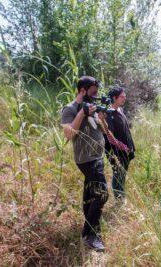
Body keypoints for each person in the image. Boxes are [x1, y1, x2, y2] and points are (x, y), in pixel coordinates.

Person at [60, 76, 109, 251]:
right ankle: (91, 236)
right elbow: (68, 134)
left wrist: (101, 117)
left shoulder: (92, 106)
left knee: (90, 196)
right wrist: (82, 113)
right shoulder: (71, 108)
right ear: (82, 90)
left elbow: (102, 130)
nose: (95, 96)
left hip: (97, 157)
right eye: (93, 93)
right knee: (102, 194)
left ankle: (88, 231)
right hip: (86, 159)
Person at [104, 87, 135, 204]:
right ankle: (119, 200)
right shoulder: (108, 114)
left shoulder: (120, 110)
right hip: (116, 152)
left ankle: (121, 195)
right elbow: (109, 135)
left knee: (123, 173)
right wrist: (123, 146)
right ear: (114, 98)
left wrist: (129, 148)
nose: (124, 98)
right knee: (118, 174)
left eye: (125, 96)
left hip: (126, 150)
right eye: (122, 96)